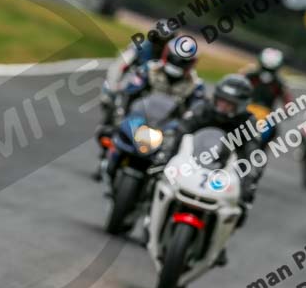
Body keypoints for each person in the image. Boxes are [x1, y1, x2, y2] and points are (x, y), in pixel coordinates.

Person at [169, 74, 261, 265]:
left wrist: (250, 175)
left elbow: (252, 153)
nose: (223, 107)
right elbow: (182, 130)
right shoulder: (202, 109)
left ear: (241, 105)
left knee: (243, 202)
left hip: (223, 169)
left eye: (230, 104)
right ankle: (148, 219)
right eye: (221, 101)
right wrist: (168, 153)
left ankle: (221, 243)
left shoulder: (248, 123)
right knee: (161, 176)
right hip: (192, 162)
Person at [97, 39, 204, 178]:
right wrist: (121, 113)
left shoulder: (195, 85)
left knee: (177, 153)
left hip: (168, 128)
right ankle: (108, 157)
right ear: (167, 55)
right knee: (107, 131)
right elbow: (130, 92)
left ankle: (161, 178)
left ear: (191, 63)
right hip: (142, 118)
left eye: (183, 61)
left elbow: (198, 110)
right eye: (175, 59)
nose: (177, 64)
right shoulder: (149, 69)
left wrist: (187, 121)